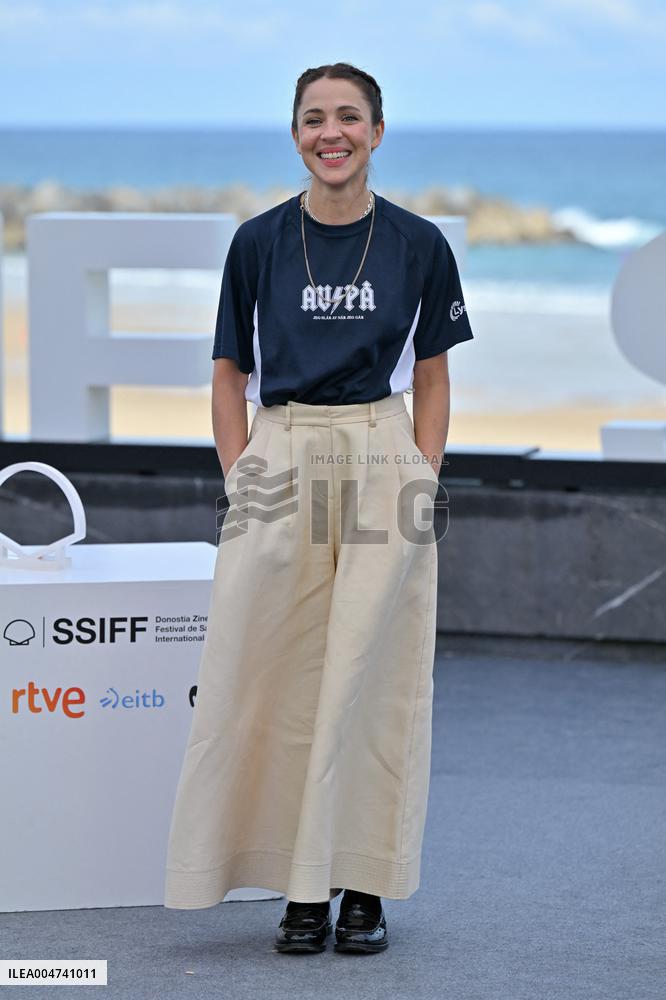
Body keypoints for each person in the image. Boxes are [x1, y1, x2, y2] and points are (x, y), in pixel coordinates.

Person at [164, 62, 474, 955]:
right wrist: (240, 473)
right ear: (295, 134)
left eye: (348, 117)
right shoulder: (258, 241)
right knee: (269, 672)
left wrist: (422, 468)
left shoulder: (418, 243)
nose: (329, 132)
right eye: (313, 119)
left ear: (378, 132)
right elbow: (229, 369)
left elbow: (433, 369)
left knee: (375, 674)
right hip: (283, 452)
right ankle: (298, 887)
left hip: (382, 450)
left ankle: (364, 884)